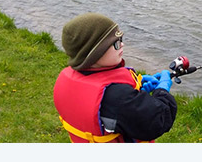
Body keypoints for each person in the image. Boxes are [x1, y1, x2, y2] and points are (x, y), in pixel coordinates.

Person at [53, 13, 177, 143]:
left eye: (121, 39)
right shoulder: (117, 97)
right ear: (95, 53)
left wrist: (136, 92)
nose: (122, 45)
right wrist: (162, 90)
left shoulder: (66, 79)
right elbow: (158, 120)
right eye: (115, 43)